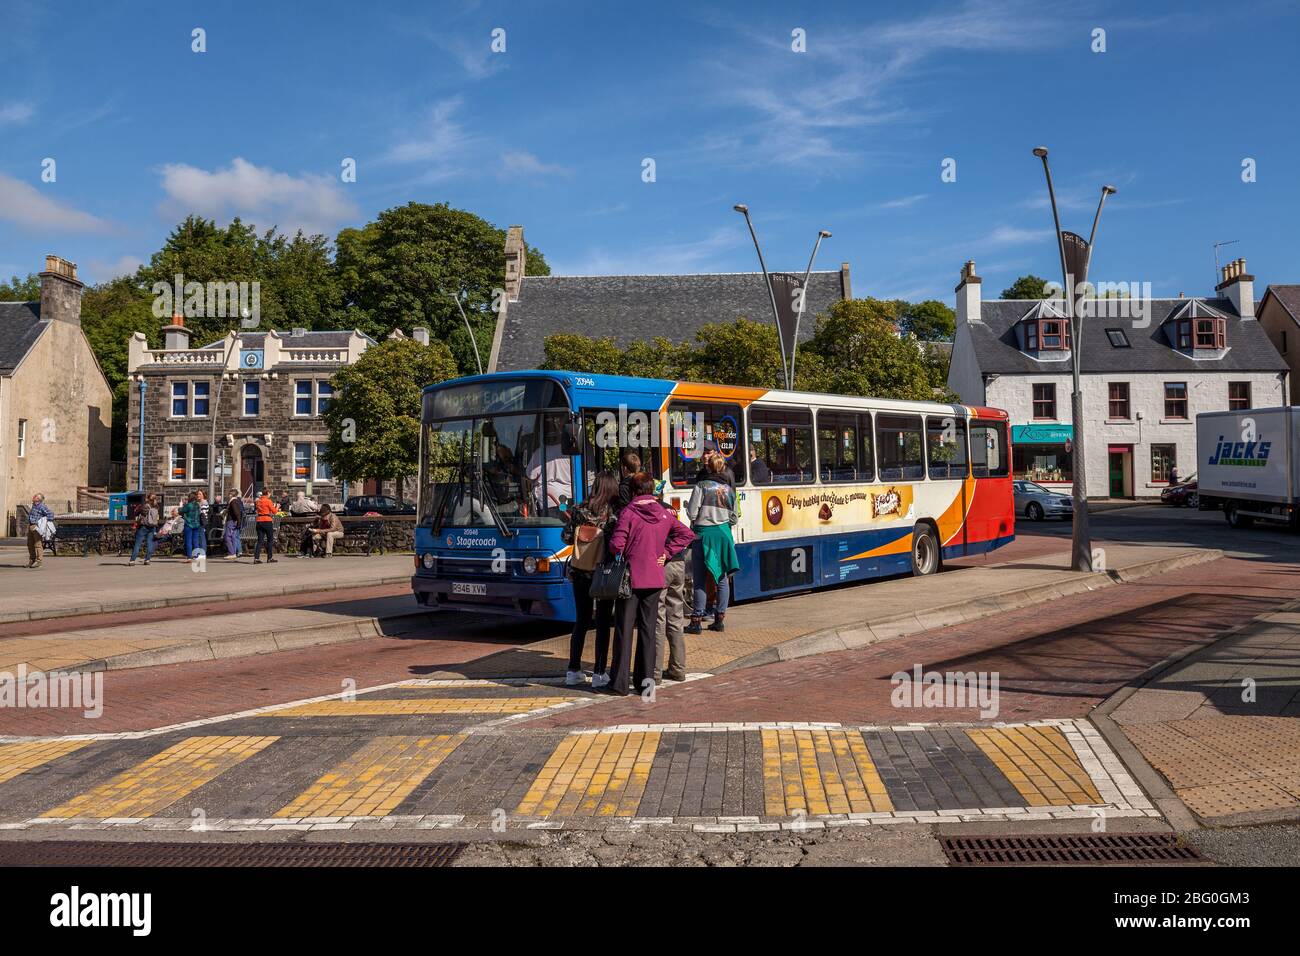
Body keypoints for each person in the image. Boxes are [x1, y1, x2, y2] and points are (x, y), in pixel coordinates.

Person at [605, 473, 694, 696]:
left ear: (634, 491)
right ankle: (646, 684)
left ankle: (620, 684)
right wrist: (665, 553)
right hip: (655, 578)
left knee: (625, 630)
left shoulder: (628, 513)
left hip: (631, 579)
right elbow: (686, 534)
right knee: (648, 630)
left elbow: (617, 545)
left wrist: (619, 549)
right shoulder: (663, 514)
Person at [561, 471, 618, 687]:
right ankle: (599, 673)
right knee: (603, 622)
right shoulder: (611, 513)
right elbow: (615, 544)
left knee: (581, 621)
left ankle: (573, 670)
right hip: (603, 574)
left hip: (579, 571)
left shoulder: (577, 509)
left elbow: (565, 537)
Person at [685, 454, 741, 634]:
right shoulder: (728, 490)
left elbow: (692, 512)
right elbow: (734, 516)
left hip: (703, 535)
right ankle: (720, 619)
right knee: (722, 578)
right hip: (723, 535)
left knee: (700, 579)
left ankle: (696, 620)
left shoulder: (701, 486)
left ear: (708, 467)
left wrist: (697, 517)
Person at [655, 490, 690, 682]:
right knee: (676, 618)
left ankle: (654, 672)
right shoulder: (671, 510)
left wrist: (664, 554)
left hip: (663, 565)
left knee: (658, 619)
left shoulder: (652, 511)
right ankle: (678, 669)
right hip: (679, 564)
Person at [526, 415, 573, 514]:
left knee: (554, 523)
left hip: (550, 501)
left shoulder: (540, 452)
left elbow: (530, 475)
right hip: (570, 497)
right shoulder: (571, 449)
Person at [128, 494, 160, 566]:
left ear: (148, 499)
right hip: (152, 527)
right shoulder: (156, 507)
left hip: (143, 526)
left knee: (138, 544)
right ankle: (147, 560)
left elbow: (138, 513)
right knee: (150, 543)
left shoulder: (145, 506)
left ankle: (132, 560)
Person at [26, 493, 55, 569]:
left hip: (37, 527)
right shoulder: (34, 505)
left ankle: (39, 561)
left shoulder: (42, 506)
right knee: (30, 544)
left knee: (38, 544)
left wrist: (43, 522)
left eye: (35, 496)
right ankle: (32, 560)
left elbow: (50, 514)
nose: (33, 496)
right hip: (31, 526)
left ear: (39, 499)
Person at [253, 489, 278, 563]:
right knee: (270, 540)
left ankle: (256, 558)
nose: (270, 495)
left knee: (260, 541)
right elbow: (275, 512)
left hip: (259, 520)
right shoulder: (268, 501)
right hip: (267, 520)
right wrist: (277, 507)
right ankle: (269, 558)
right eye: (270, 493)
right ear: (267, 493)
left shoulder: (258, 501)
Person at [179, 492, 206, 560]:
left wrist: (181, 505)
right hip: (196, 524)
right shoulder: (197, 505)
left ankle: (189, 556)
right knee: (195, 541)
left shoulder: (188, 505)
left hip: (189, 524)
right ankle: (196, 555)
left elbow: (181, 511)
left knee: (188, 541)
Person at [223, 494, 245, 560]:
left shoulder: (233, 502)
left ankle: (231, 553)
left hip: (231, 521)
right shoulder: (237, 501)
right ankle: (233, 553)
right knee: (233, 537)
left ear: (231, 495)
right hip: (234, 521)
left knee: (227, 537)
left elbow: (236, 512)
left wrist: (238, 521)